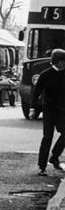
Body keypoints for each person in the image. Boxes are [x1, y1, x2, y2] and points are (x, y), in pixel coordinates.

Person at [33, 48, 65, 176]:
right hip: (49, 110)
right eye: (63, 61)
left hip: (62, 110)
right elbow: (36, 92)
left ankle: (55, 155)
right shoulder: (45, 75)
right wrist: (32, 108)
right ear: (57, 62)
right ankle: (42, 166)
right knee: (47, 137)